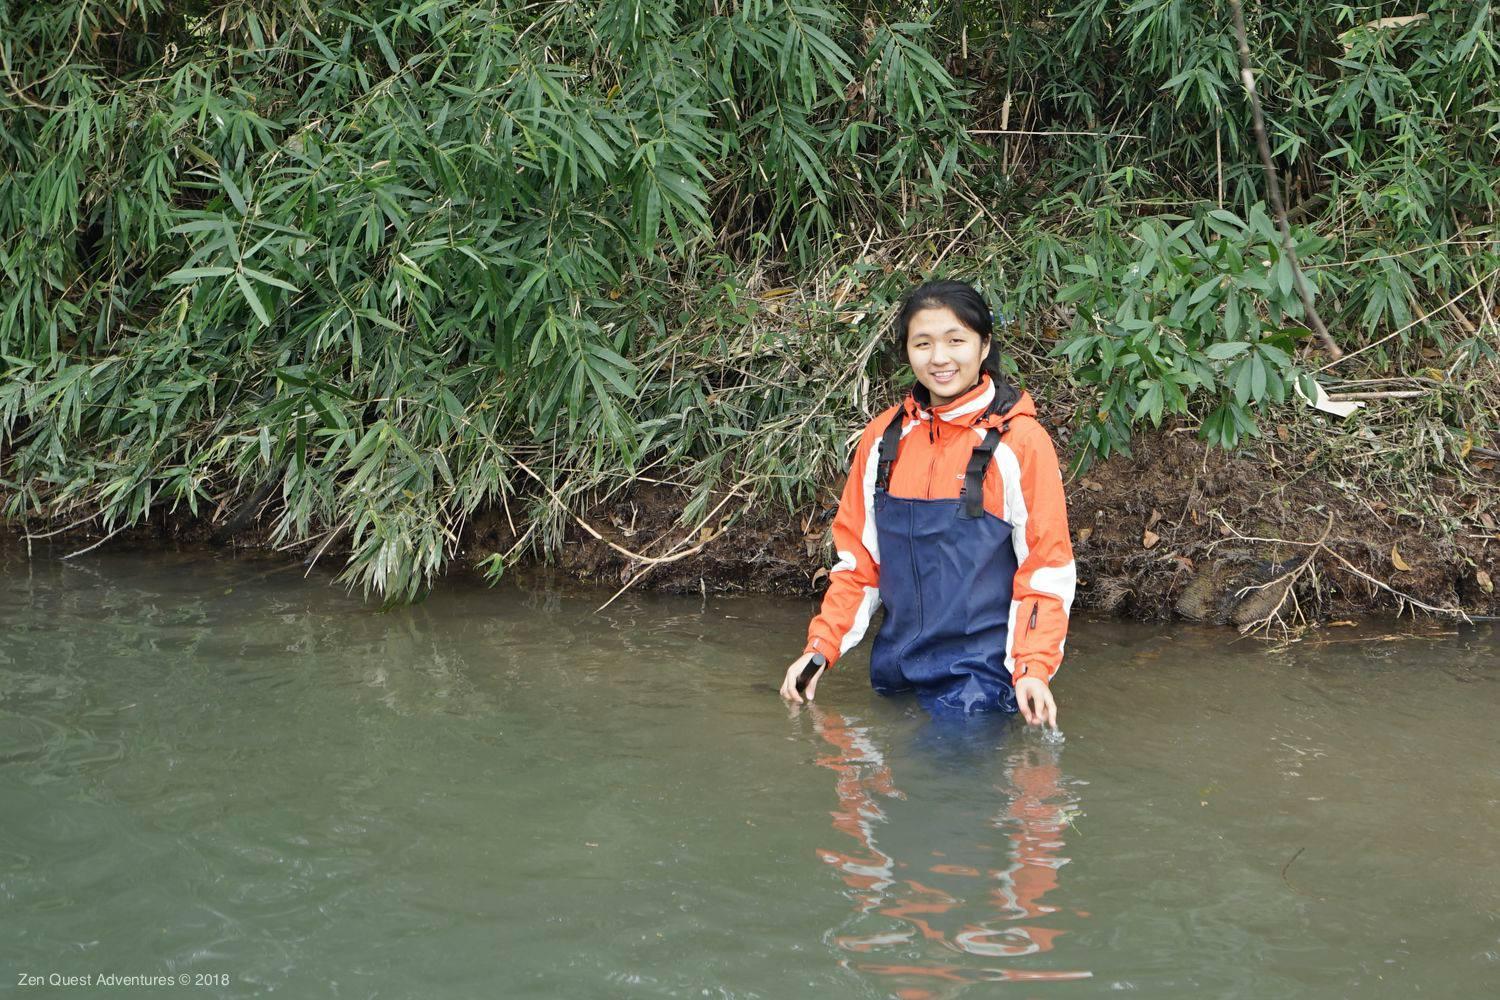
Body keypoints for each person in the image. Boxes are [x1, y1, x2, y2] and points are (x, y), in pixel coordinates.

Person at [779, 280, 1075, 723]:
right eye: (923, 343)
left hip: (983, 679)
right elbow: (860, 565)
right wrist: (820, 649)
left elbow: (1045, 568)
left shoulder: (1021, 443)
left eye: (955, 341)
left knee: (943, 781)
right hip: (896, 668)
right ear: (907, 351)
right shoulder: (883, 438)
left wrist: (1032, 667)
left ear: (984, 345)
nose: (939, 358)